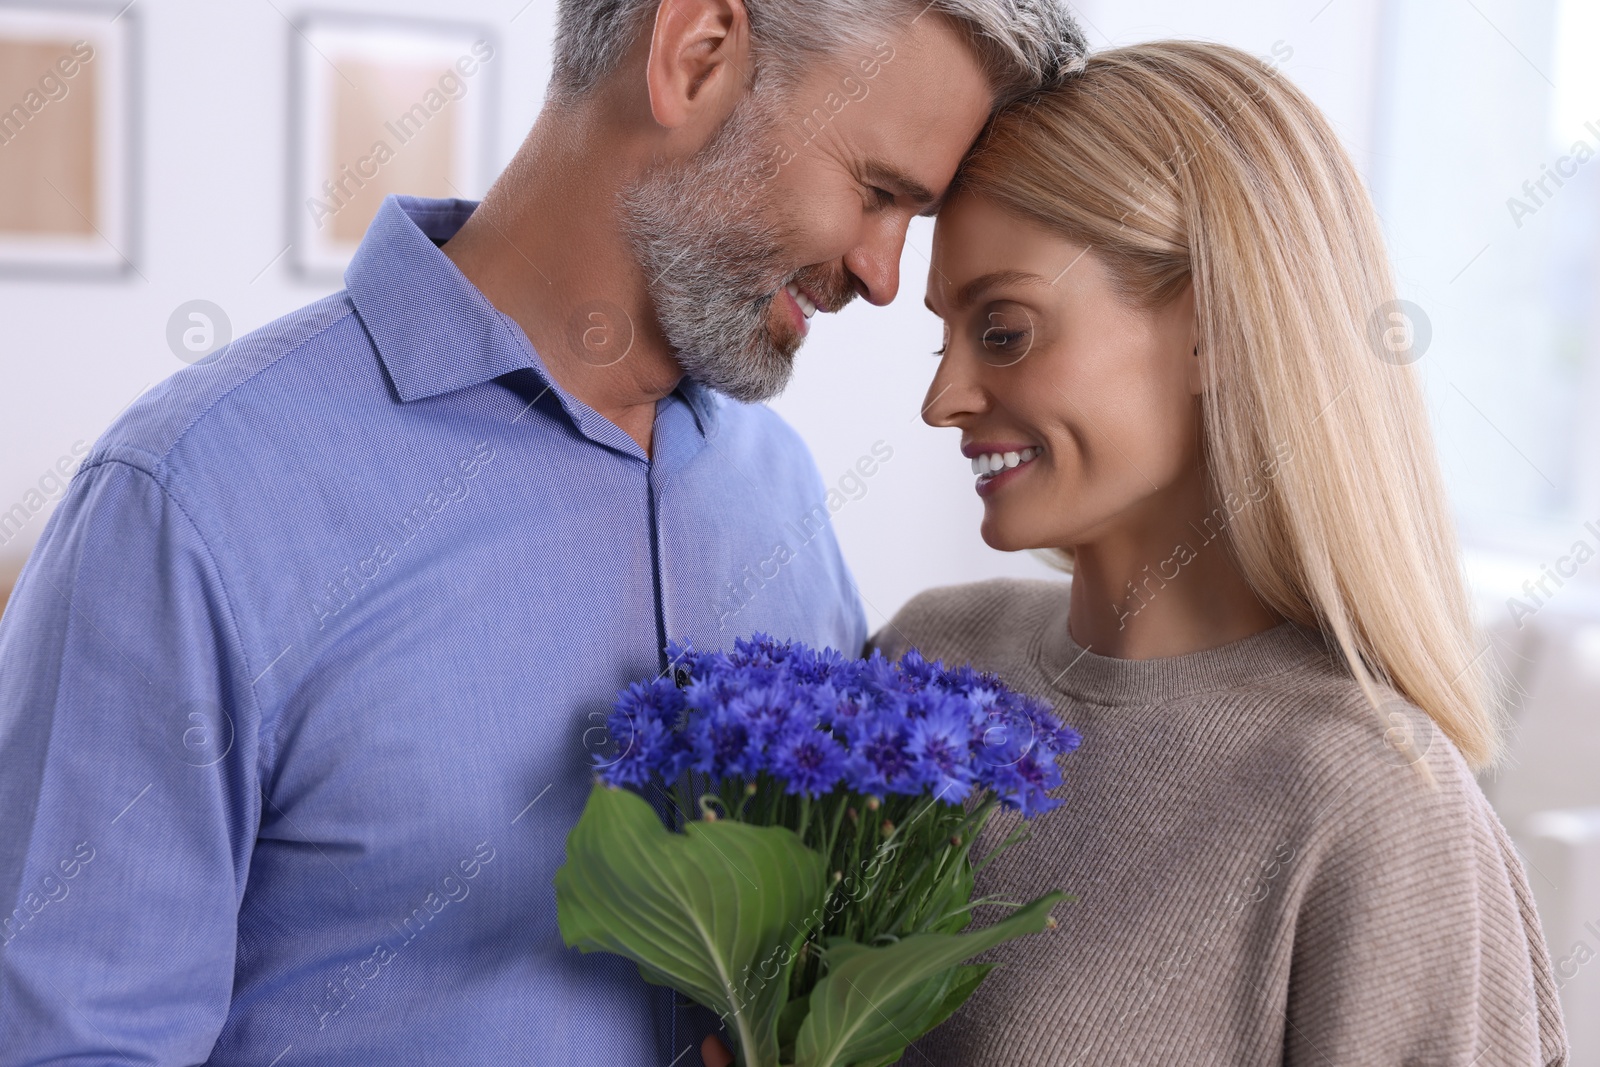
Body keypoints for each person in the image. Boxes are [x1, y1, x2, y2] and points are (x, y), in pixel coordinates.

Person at [0, 2, 1084, 1064]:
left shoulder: (778, 486)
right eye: (877, 192)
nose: (883, 275)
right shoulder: (192, 499)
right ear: (697, 56)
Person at [871, 40, 1568, 1065]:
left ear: (1210, 332)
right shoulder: (927, 659)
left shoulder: (1370, 805)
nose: (942, 399)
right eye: (946, 338)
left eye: (1005, 330)